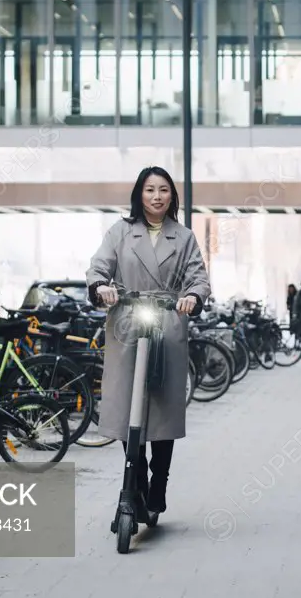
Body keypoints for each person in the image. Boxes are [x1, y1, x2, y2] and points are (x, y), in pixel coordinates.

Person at [86, 165, 211, 515]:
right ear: (139, 194)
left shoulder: (183, 237)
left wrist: (193, 298)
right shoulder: (120, 232)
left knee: (164, 411)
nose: (156, 196)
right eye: (150, 189)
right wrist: (102, 287)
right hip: (126, 323)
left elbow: (199, 279)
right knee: (127, 406)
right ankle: (136, 479)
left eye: (164, 190)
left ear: (172, 196)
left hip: (167, 323)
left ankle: (159, 482)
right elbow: (98, 268)